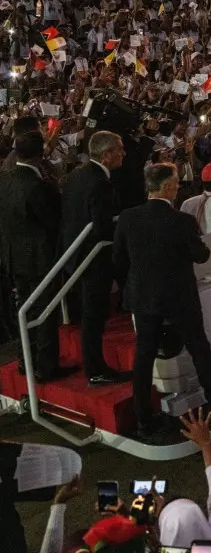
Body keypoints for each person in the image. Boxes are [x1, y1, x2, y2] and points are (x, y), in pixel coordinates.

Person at [113, 164, 211, 438]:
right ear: (167, 188)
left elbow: (118, 260)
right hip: (179, 297)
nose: (179, 185)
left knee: (144, 356)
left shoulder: (127, 218)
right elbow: (201, 256)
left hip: (144, 297)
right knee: (199, 348)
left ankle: (143, 419)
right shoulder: (181, 221)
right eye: (176, 182)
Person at [59, 130, 128, 385]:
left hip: (77, 256)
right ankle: (96, 370)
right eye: (120, 149)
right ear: (107, 155)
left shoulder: (77, 174)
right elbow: (102, 228)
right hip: (92, 259)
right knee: (93, 316)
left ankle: (95, 367)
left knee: (91, 315)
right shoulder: (100, 183)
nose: (124, 153)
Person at [0, 131, 70, 382]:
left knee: (25, 311)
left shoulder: (4, 180)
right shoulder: (37, 187)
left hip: (14, 258)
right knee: (43, 312)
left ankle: (25, 361)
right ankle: (46, 367)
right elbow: (53, 221)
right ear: (41, 153)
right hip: (39, 261)